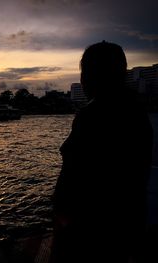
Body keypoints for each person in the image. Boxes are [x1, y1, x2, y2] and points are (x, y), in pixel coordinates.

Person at [50, 41, 153, 263]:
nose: (82, 80)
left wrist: (63, 218)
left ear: (92, 76)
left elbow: (74, 172)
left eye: (85, 72)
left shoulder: (92, 115)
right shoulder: (137, 111)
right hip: (127, 224)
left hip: (91, 230)